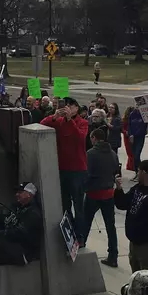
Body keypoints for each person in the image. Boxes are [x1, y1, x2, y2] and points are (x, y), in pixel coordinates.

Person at [41, 98, 89, 231]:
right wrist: (55, 117)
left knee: (78, 206)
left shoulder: (83, 122)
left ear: (76, 108)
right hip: (62, 169)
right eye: (64, 106)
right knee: (64, 205)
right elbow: (42, 124)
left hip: (78, 170)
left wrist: (69, 120)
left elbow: (79, 138)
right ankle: (69, 232)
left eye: (69, 106)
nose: (66, 108)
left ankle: (80, 235)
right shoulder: (59, 121)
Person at [113, 160, 148, 271]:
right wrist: (119, 189)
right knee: (137, 278)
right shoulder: (137, 188)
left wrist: (147, 236)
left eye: (138, 171)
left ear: (144, 173)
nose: (137, 173)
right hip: (134, 243)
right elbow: (123, 204)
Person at [82, 127, 121, 260]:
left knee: (86, 222)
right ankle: (113, 254)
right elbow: (116, 171)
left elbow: (86, 173)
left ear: (94, 138)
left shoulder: (90, 154)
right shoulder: (113, 154)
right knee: (110, 226)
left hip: (93, 192)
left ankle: (81, 246)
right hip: (108, 193)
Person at [124, 106, 147, 173]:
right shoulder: (132, 114)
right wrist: (130, 135)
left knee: (137, 155)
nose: (137, 107)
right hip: (132, 137)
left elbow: (144, 128)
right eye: (136, 105)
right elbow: (129, 125)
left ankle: (140, 171)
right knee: (134, 156)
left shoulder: (143, 115)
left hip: (140, 137)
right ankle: (137, 172)